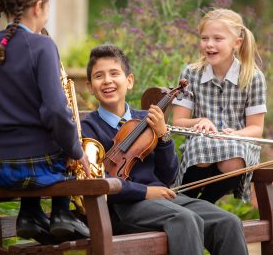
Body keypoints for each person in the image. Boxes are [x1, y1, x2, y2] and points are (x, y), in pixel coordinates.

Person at [81, 44, 248, 255]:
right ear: (89, 86)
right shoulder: (88, 128)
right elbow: (98, 180)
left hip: (162, 199)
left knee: (228, 221)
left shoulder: (146, 119)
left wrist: (163, 136)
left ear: (129, 80)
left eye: (114, 73)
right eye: (99, 76)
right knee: (184, 219)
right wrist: (146, 192)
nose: (107, 81)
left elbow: (168, 175)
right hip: (124, 205)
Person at [0, 0, 90, 244]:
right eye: (47, 8)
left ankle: (30, 215)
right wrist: (76, 150)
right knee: (66, 147)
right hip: (38, 168)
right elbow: (56, 112)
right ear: (38, 6)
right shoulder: (42, 46)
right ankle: (62, 213)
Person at [172, 8, 267, 204]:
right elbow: (178, 121)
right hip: (201, 147)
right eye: (204, 38)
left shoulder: (253, 77)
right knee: (201, 147)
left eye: (217, 39)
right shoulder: (190, 74)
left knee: (234, 158)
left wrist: (236, 134)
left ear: (237, 43)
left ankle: (204, 205)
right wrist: (200, 121)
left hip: (237, 145)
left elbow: (256, 129)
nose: (209, 44)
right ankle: (184, 200)